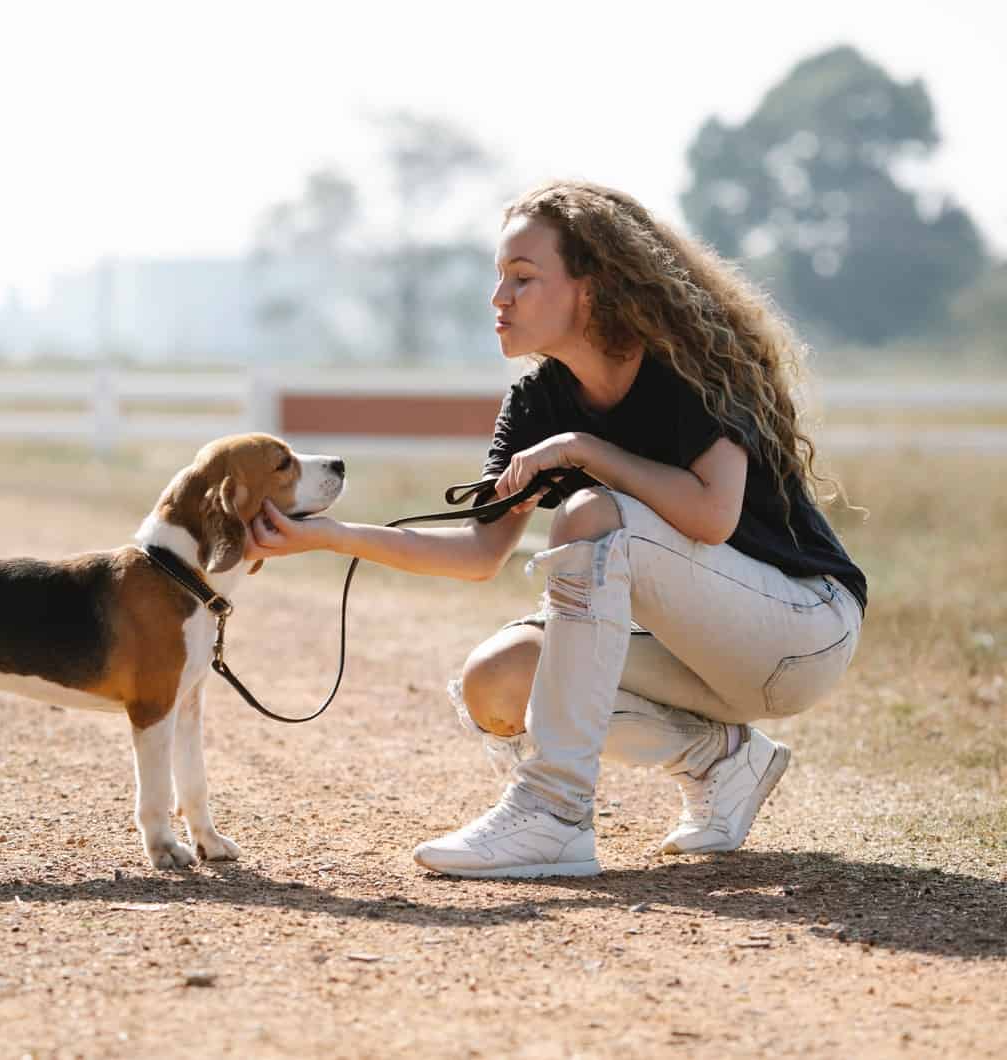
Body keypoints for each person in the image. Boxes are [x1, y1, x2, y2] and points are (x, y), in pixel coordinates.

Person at [244, 180, 866, 879]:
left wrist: (585, 451)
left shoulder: (683, 368)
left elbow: (711, 515)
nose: (498, 298)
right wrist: (331, 536)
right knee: (497, 682)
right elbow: (481, 553)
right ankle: (724, 760)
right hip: (701, 655)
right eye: (499, 277)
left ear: (591, 289)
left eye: (524, 277)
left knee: (588, 515)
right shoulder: (538, 401)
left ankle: (554, 813)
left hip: (802, 633)